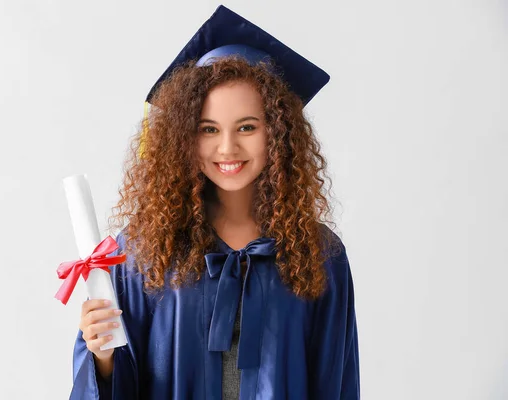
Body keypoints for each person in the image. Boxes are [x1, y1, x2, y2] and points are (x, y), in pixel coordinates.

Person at [70, 5, 359, 400]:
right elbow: (120, 380)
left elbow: (335, 382)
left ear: (278, 133)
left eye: (247, 127)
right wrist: (101, 355)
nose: (228, 147)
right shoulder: (144, 249)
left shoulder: (318, 253)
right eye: (208, 129)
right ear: (184, 137)